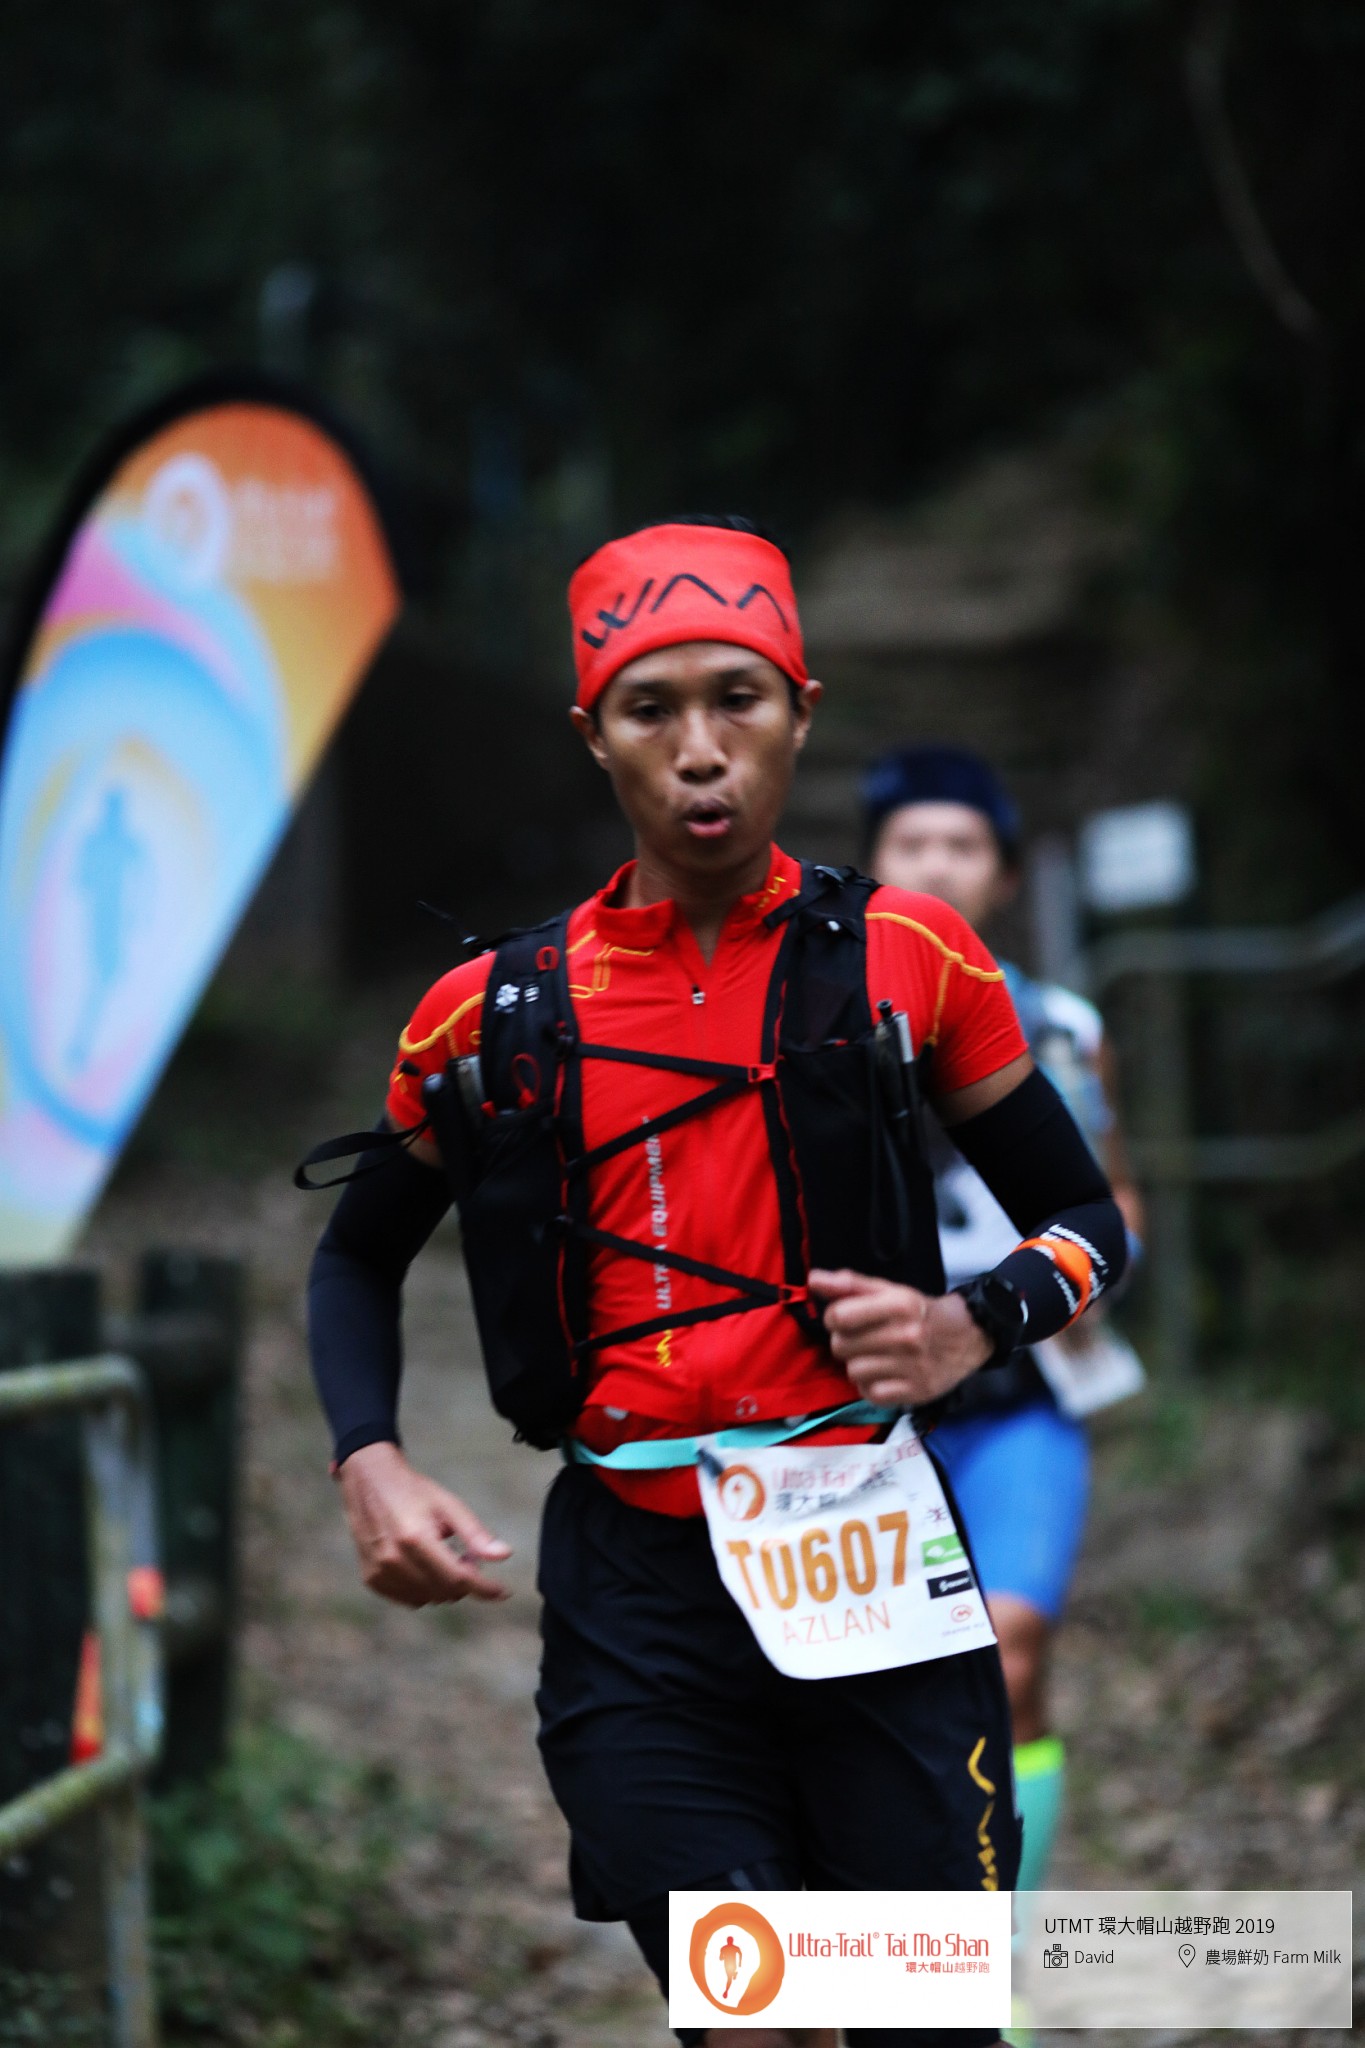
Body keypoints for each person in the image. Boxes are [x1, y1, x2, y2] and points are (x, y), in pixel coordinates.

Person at [302, 519, 1129, 2048]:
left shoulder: (913, 957)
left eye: (736, 699)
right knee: (746, 2017)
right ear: (593, 735)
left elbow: (1085, 1221)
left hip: (870, 1561)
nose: (698, 750)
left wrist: (969, 1323)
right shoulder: (488, 1013)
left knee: (913, 2024)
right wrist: (369, 1459)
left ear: (800, 714)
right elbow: (356, 1256)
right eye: (651, 708)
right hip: (637, 1596)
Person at [862, 743, 1145, 1912]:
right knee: (878, 1688)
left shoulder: (1064, 1027)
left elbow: (1115, 1197)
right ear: (872, 864)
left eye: (963, 844)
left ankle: (1001, 1955)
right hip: (865, 1412)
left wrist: (1080, 1276)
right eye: (912, 843)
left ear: (1007, 873)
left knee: (1012, 1656)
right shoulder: (818, 1026)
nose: (937, 864)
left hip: (1024, 1390)